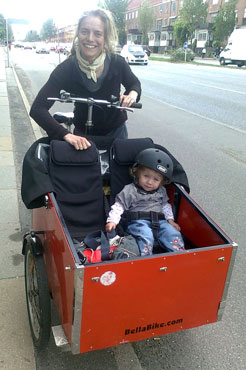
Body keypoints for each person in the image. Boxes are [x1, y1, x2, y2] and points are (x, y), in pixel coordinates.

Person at [30, 8, 141, 151]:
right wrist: (65, 134)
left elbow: (134, 84)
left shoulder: (117, 63)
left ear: (105, 37)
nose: (90, 38)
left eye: (98, 33)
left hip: (116, 134)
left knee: (117, 171)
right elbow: (37, 109)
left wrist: (132, 95)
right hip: (82, 137)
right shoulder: (67, 68)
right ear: (78, 34)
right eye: (84, 31)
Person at [106, 148, 184, 256]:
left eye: (156, 179)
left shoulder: (161, 191)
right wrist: (112, 221)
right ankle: (146, 257)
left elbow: (165, 205)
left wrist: (170, 221)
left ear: (162, 182)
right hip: (138, 222)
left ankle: (180, 255)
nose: (150, 182)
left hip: (160, 221)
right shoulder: (130, 190)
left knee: (172, 233)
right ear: (136, 173)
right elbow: (118, 206)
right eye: (146, 176)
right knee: (145, 235)